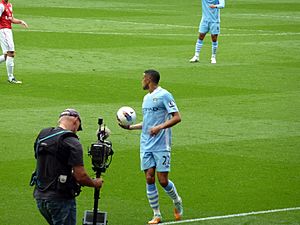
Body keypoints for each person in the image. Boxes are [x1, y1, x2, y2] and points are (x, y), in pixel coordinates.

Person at [119, 69, 183, 224]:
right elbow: (148, 124)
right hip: (146, 144)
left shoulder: (164, 95)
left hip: (161, 144)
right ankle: (156, 214)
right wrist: (130, 127)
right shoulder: (146, 98)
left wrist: (159, 127)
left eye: (143, 78)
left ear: (148, 79)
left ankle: (177, 201)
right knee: (149, 177)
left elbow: (177, 117)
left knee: (162, 180)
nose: (141, 81)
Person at [32, 109, 103, 225]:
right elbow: (80, 176)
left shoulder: (43, 134)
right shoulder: (72, 141)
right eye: (78, 127)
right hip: (60, 199)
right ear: (75, 121)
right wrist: (95, 183)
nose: (76, 131)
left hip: (40, 197)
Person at [0, 0, 28, 84]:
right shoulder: (1, 5)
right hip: (3, 30)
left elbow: (11, 19)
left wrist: (20, 21)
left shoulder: (9, 5)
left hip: (8, 30)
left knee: (6, 56)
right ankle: (11, 78)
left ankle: (11, 77)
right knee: (11, 53)